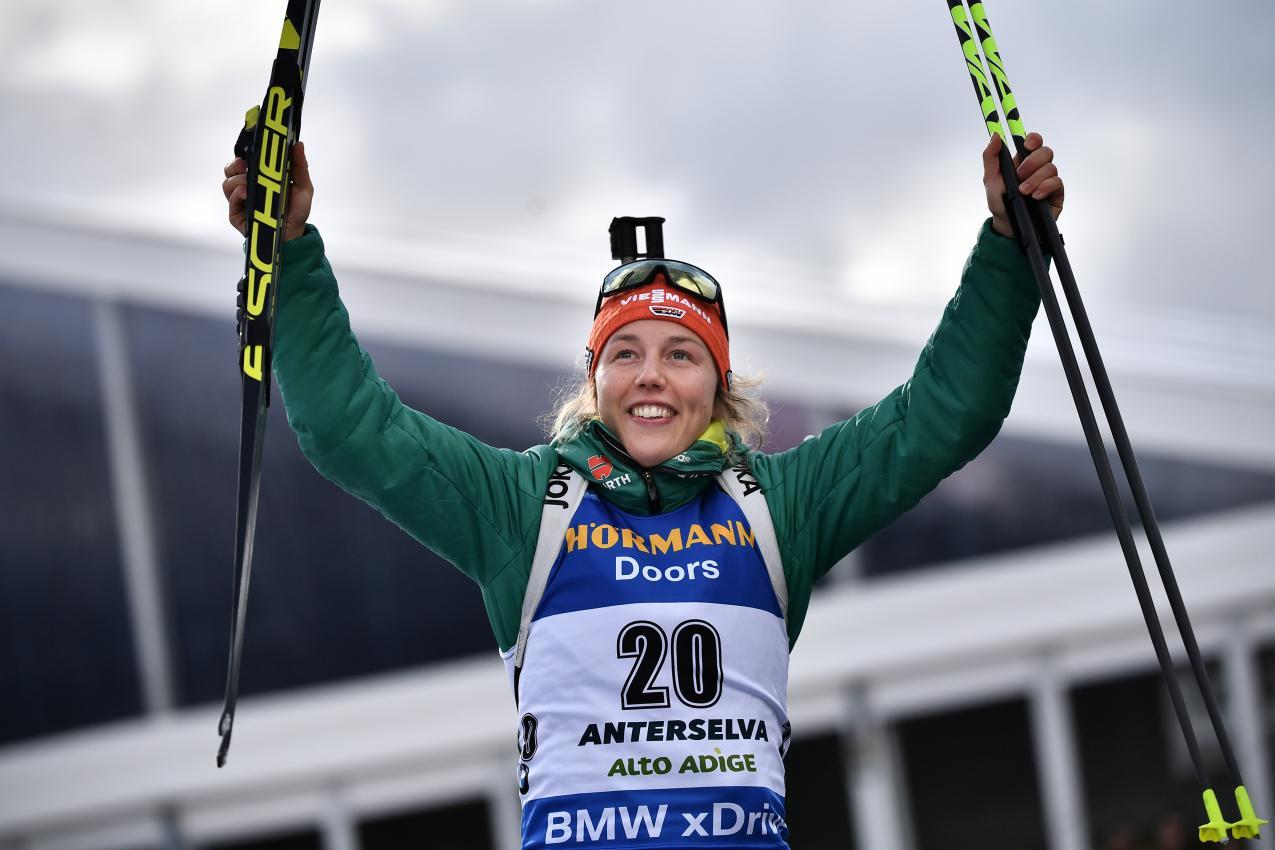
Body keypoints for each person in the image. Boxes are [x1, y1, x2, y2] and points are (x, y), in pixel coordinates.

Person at [221, 131, 1063, 849]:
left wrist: (1006, 247)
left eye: (680, 354)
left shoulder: (779, 505)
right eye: (625, 354)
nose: (650, 376)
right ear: (595, 382)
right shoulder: (525, 507)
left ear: (718, 385)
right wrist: (288, 249)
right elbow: (352, 430)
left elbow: (939, 418)